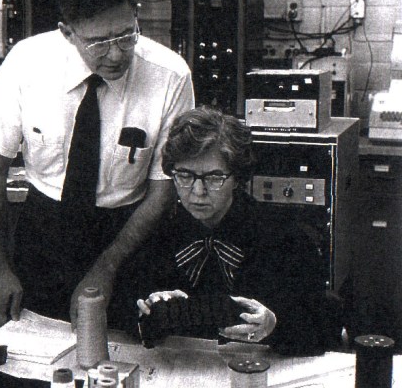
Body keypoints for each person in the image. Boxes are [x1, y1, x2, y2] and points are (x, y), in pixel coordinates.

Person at [0, 0, 194, 328]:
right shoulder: (27, 62)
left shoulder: (170, 76)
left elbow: (163, 191)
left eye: (126, 35)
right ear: (67, 32)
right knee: (36, 350)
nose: (116, 54)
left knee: (127, 356)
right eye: (98, 42)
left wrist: (106, 268)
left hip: (128, 233)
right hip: (44, 234)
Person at [134, 106, 332, 355]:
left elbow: (322, 330)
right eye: (184, 175)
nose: (198, 192)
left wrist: (274, 325)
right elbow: (132, 323)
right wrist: (153, 314)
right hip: (185, 371)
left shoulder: (285, 238)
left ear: (237, 178)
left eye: (214, 177)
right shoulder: (160, 235)